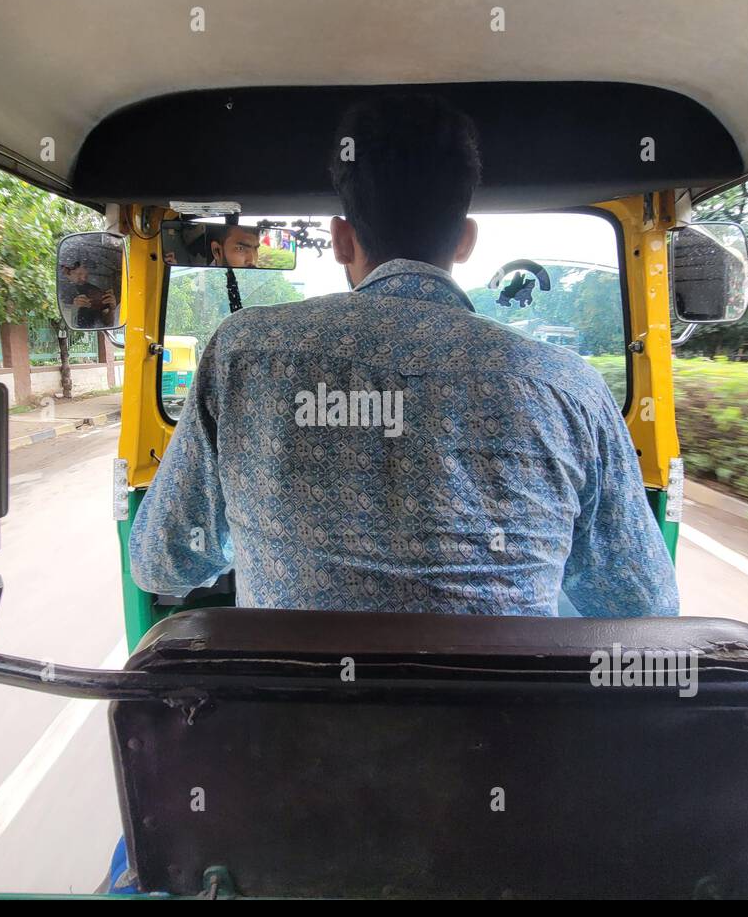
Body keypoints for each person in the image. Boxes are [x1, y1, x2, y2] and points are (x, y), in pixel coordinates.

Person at [129, 94, 678, 617]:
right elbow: (642, 604)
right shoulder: (570, 388)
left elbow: (161, 566)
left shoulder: (242, 353)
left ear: (341, 240)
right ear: (465, 240)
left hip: (293, 715)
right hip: (503, 717)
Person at [59, 255, 116, 328]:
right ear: (65, 271)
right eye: (79, 274)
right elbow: (60, 320)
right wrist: (74, 308)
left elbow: (108, 323)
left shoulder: (95, 291)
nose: (83, 279)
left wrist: (112, 309)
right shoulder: (60, 290)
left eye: (86, 276)